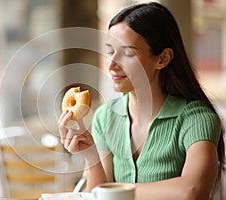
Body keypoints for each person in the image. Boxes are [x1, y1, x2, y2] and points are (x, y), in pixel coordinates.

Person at [58, 2, 225, 200]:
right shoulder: (105, 116)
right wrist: (90, 155)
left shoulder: (197, 119)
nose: (111, 64)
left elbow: (192, 190)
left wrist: (116, 191)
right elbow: (98, 194)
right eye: (110, 51)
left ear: (162, 59)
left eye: (128, 53)